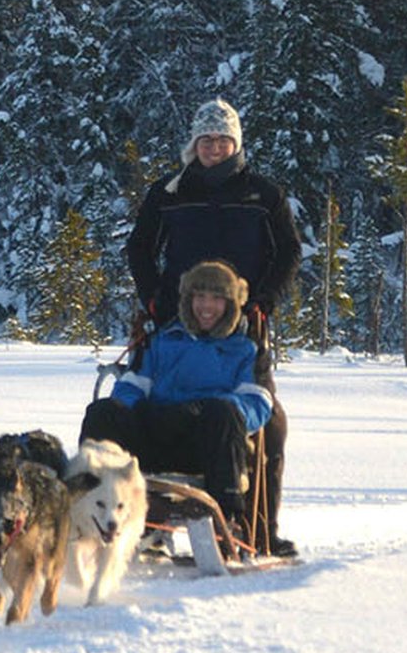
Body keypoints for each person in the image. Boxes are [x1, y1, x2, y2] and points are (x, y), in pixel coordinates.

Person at [125, 99, 300, 554]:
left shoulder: (262, 194)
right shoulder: (170, 192)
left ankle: (258, 530)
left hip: (242, 322)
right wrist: (153, 297)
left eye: (222, 140)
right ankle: (145, 517)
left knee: (267, 424)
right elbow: (140, 248)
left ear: (235, 144)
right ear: (194, 144)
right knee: (151, 401)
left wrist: (263, 300)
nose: (214, 148)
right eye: (206, 140)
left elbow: (288, 252)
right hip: (175, 319)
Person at [80, 259, 273, 536]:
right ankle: (86, 504)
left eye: (217, 298)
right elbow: (129, 387)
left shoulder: (245, 350)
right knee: (102, 412)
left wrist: (207, 408)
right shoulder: (162, 341)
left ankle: (227, 519)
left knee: (223, 413)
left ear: (231, 304)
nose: (206, 306)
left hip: (206, 443)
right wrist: (142, 411)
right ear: (188, 300)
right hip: (154, 436)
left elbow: (258, 404)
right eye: (200, 296)